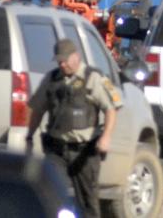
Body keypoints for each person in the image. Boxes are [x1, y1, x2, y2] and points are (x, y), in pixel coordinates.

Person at [27, 39, 121, 218]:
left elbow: (111, 108)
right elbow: (37, 109)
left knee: (87, 201)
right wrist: (29, 136)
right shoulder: (52, 79)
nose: (61, 64)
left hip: (84, 151)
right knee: (52, 195)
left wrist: (106, 137)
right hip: (56, 149)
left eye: (65, 60)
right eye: (59, 61)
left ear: (76, 57)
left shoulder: (93, 78)